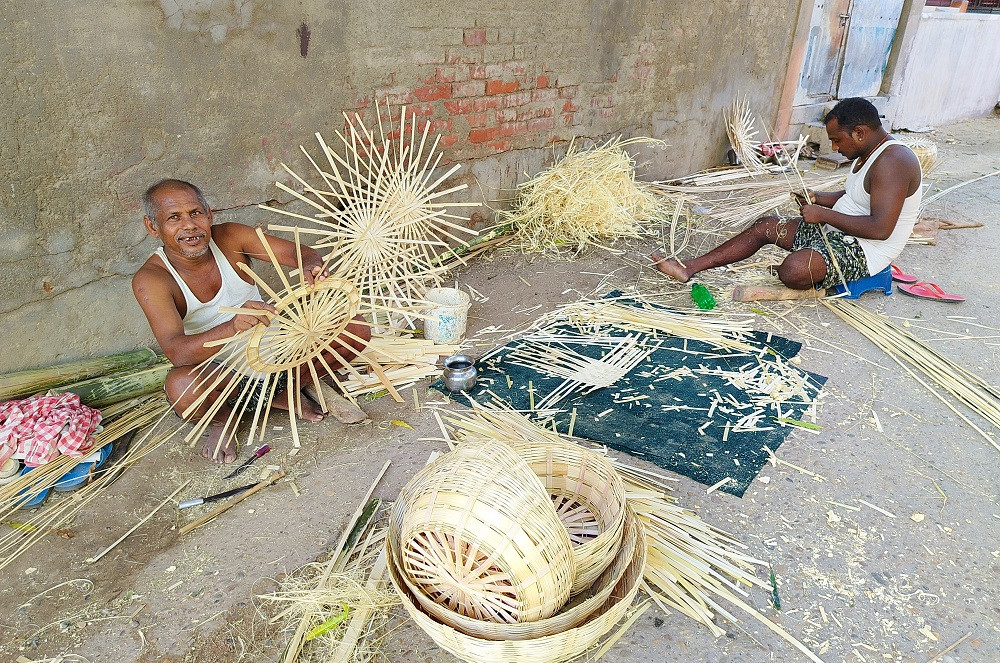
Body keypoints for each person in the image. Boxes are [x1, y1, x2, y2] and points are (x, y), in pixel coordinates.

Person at [132, 179, 368, 463]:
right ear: (152, 227)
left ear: (210, 214)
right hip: (224, 371)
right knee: (181, 387)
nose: (189, 226)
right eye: (173, 218)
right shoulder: (152, 279)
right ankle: (224, 419)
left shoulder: (231, 237)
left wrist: (310, 264)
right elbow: (177, 353)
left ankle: (286, 390)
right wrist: (231, 327)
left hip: (283, 352)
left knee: (354, 327)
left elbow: (297, 251)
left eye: (195, 213)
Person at [652, 97, 922, 291]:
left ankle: (815, 267)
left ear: (860, 133)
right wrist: (818, 198)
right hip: (841, 232)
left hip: (866, 249)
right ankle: (690, 267)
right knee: (767, 225)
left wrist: (822, 214)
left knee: (793, 271)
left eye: (837, 140)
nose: (834, 146)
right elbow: (856, 196)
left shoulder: (893, 162)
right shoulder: (869, 152)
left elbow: (880, 229)